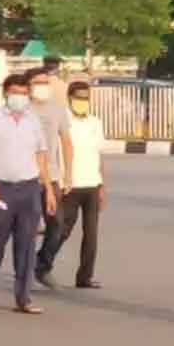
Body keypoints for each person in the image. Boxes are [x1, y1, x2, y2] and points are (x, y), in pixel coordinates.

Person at [0, 74, 57, 315]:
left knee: (27, 244)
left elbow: (41, 155)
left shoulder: (32, 120)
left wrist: (48, 188)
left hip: (29, 187)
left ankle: (23, 298)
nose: (19, 97)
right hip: (1, 188)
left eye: (23, 92)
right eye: (14, 92)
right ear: (5, 93)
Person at [54, 81, 106, 290]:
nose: (82, 102)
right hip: (70, 184)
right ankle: (41, 263)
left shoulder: (95, 122)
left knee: (91, 233)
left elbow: (98, 154)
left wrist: (102, 184)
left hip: (91, 183)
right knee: (63, 229)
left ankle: (85, 276)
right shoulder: (63, 121)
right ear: (69, 98)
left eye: (85, 98)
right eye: (78, 97)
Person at [29, 67, 75, 290]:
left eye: (45, 82)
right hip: (26, 177)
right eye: (38, 82)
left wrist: (68, 174)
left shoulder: (58, 110)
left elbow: (66, 141)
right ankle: (22, 269)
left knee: (57, 225)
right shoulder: (22, 110)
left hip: (52, 175)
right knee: (25, 228)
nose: (42, 87)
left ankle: (42, 265)